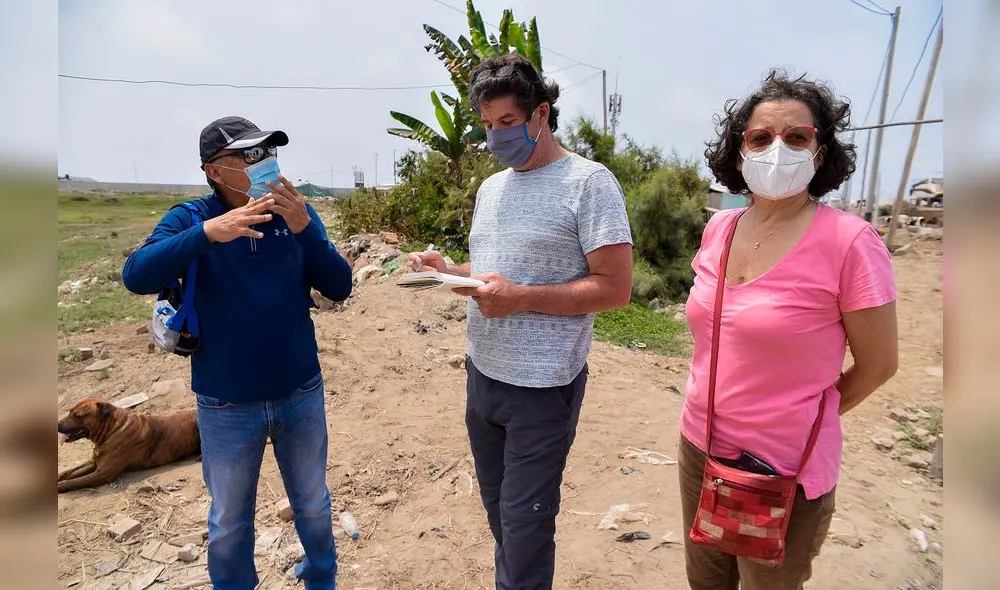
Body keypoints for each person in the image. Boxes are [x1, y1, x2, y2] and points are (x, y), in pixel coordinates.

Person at [408, 53, 633, 589]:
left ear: (540, 114)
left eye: (507, 122)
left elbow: (615, 288)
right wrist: (450, 272)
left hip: (541, 388)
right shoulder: (492, 189)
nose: (496, 136)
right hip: (482, 376)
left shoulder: (588, 183)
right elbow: (495, 275)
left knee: (526, 527)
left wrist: (522, 298)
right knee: (502, 517)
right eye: (487, 126)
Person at [677, 70, 899, 589]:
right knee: (705, 582)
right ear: (739, 151)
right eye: (760, 137)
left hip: (783, 469)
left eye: (796, 137)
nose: (778, 148)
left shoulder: (850, 242)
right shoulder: (720, 228)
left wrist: (806, 414)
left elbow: (880, 364)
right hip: (698, 444)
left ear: (820, 153)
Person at [123, 116, 352, 590]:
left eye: (266, 153)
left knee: (312, 501)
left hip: (299, 392)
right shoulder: (191, 218)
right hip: (225, 404)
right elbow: (137, 274)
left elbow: (339, 285)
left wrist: (306, 228)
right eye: (246, 157)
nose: (262, 164)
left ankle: (321, 578)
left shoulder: (294, 214)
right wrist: (211, 232)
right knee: (229, 519)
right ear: (214, 171)